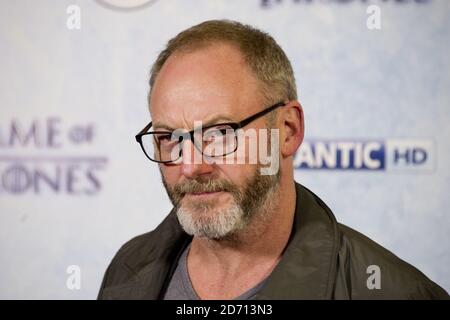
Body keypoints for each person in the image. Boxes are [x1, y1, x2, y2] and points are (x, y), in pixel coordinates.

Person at [98, 20, 449, 300]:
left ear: (287, 130)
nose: (191, 166)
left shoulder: (393, 292)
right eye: (169, 138)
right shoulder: (129, 267)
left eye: (220, 134)